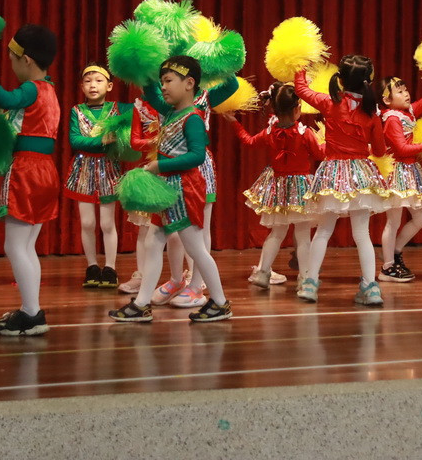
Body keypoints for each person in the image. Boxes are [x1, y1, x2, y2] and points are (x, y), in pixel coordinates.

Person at [109, 56, 232, 323]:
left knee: (197, 249)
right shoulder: (169, 113)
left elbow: (197, 156)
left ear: (189, 83)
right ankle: (141, 304)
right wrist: (141, 70)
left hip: (186, 190)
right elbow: (151, 93)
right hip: (167, 191)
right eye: (162, 81)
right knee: (154, 244)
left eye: (168, 81)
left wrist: (160, 165)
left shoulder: (193, 118)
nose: (163, 87)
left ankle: (220, 302)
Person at [0, 24, 61, 336]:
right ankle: (31, 309)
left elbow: (7, 100)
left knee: (15, 246)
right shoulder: (50, 90)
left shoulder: (33, 89)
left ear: (27, 60)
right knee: (26, 246)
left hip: (27, 170)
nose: (9, 64)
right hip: (46, 170)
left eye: (11, 58)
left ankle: (32, 313)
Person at [294, 54, 390, 306]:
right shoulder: (372, 112)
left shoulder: (329, 103)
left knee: (323, 231)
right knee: (362, 233)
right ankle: (370, 287)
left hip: (332, 173)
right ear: (368, 81)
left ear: (341, 79)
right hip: (361, 175)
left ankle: (310, 284)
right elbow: (379, 151)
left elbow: (301, 89)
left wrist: (299, 62)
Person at [223, 83, 321, 288]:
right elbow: (320, 154)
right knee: (302, 235)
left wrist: (234, 122)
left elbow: (249, 141)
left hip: (278, 188)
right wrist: (327, 141)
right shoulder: (305, 133)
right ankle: (305, 279)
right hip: (301, 188)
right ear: (297, 109)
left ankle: (263, 273)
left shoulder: (270, 131)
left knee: (276, 233)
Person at [64, 64, 130, 290]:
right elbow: (75, 140)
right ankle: (92, 266)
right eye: (88, 81)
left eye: (99, 80)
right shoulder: (77, 111)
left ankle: (110, 268)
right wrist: (99, 142)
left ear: (110, 86)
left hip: (109, 170)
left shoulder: (119, 108)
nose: (93, 85)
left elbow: (141, 114)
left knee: (107, 223)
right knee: (88, 222)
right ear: (81, 86)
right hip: (83, 171)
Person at [378, 75, 422, 283]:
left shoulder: (407, 113)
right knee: (393, 221)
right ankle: (387, 267)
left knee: (421, 218)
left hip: (410, 171)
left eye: (406, 89)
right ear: (387, 100)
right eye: (399, 91)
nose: (406, 93)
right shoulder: (392, 119)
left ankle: (395, 252)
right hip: (396, 172)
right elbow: (401, 149)